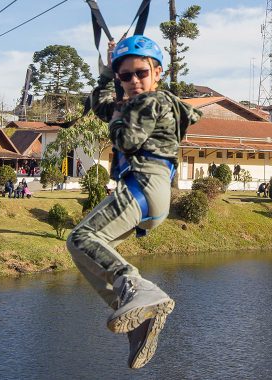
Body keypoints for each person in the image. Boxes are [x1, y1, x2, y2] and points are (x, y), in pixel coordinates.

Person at [67, 35, 200, 369]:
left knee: (81, 237)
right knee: (85, 250)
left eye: (141, 72)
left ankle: (140, 289)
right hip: (153, 197)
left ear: (158, 73)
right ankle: (135, 314)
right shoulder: (149, 104)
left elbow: (125, 138)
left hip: (142, 184)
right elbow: (103, 108)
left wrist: (115, 108)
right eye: (125, 76)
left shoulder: (150, 102)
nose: (134, 81)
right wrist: (105, 81)